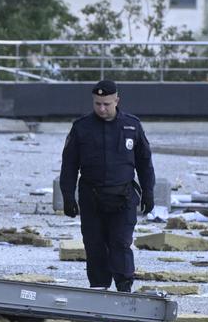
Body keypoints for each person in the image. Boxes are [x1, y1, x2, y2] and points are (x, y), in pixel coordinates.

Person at [59, 80, 156, 292]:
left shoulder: (132, 125)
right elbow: (69, 164)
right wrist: (68, 195)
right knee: (94, 246)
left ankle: (124, 289)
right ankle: (99, 289)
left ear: (117, 101)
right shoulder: (82, 127)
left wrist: (148, 191)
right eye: (97, 104)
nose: (102, 109)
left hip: (123, 196)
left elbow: (144, 162)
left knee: (120, 243)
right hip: (91, 196)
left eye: (106, 104)